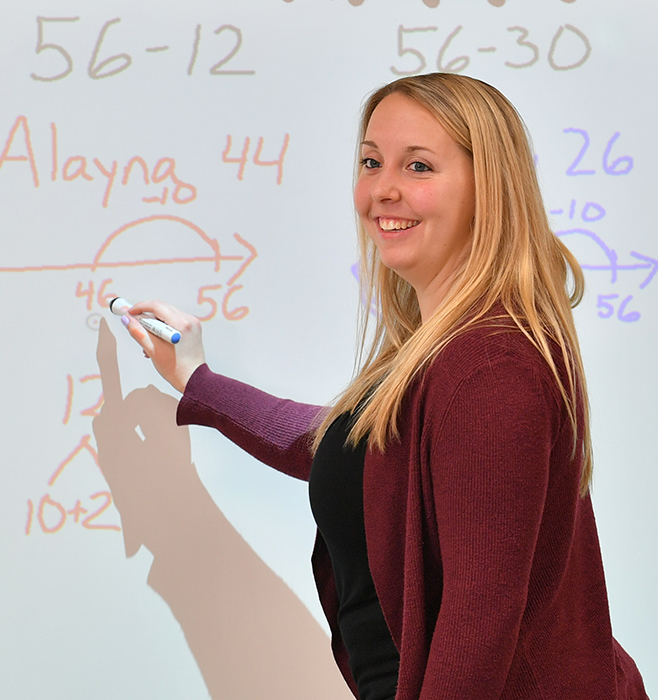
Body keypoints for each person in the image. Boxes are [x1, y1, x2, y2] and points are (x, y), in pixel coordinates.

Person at [117, 74, 649, 700]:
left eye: (418, 166)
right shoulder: (442, 354)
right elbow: (349, 451)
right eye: (371, 161)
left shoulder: (492, 366)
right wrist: (197, 380)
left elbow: (480, 621)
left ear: (489, 189)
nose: (382, 189)